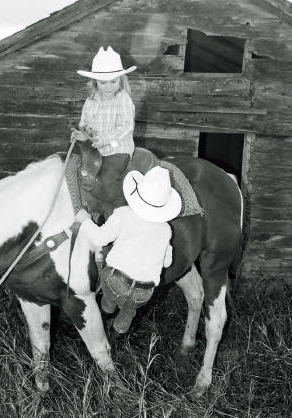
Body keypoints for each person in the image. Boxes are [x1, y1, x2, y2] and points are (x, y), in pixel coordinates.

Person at [75, 166, 182, 334]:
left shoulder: (123, 214)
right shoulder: (166, 229)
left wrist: (85, 220)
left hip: (116, 282)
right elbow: (167, 262)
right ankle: (117, 335)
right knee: (129, 311)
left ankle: (105, 311)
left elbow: (100, 238)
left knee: (109, 296)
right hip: (143, 292)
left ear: (137, 194)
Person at [71, 46, 137, 207]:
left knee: (107, 181)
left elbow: (126, 126)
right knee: (81, 176)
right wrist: (82, 134)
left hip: (118, 149)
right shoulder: (91, 101)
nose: (108, 86)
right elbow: (85, 123)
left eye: (113, 81)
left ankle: (121, 213)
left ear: (121, 80)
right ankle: (93, 208)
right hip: (96, 151)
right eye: (103, 82)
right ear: (95, 82)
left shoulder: (123, 99)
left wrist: (103, 139)